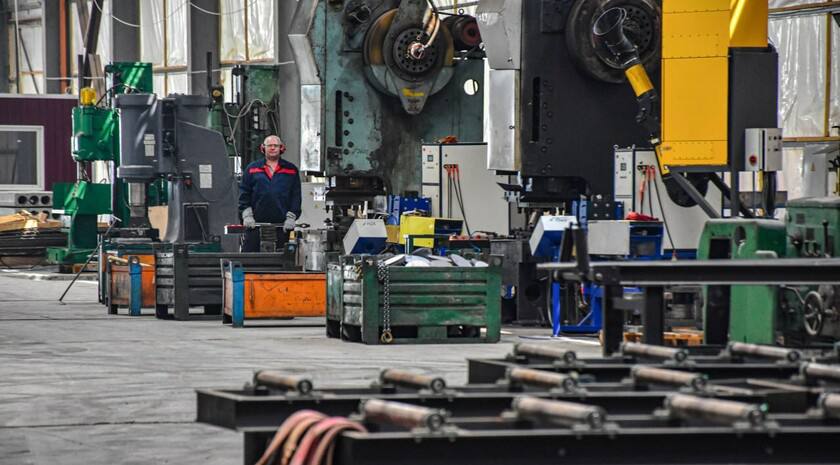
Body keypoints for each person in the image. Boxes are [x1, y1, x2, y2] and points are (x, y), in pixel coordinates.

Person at [239, 135, 302, 252]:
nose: (272, 148)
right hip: (255, 226)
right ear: (263, 148)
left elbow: (296, 196)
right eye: (269, 145)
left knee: (283, 258)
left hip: (282, 227)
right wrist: (247, 215)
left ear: (281, 148)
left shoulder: (291, 170)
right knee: (250, 258)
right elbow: (244, 193)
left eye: (275, 146)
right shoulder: (252, 169)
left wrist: (292, 217)